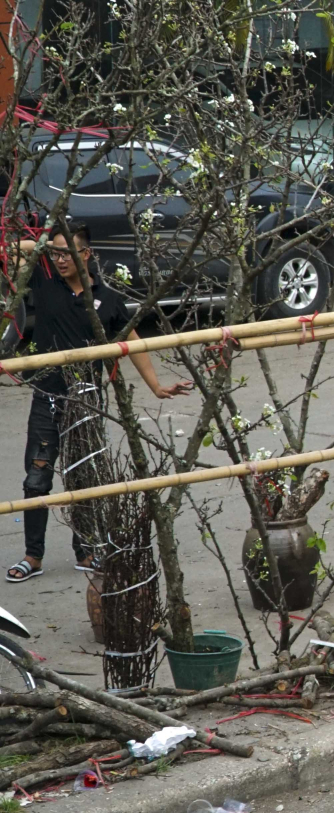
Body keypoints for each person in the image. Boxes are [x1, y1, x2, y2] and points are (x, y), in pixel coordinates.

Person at [3, 227, 189, 582]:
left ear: (86, 254)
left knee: (83, 477)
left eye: (66, 254)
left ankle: (86, 551)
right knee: (37, 477)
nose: (59, 261)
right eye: (54, 254)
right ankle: (32, 556)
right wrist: (42, 244)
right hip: (48, 398)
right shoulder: (43, 286)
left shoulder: (107, 298)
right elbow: (9, 252)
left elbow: (131, 342)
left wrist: (157, 387)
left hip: (88, 402)